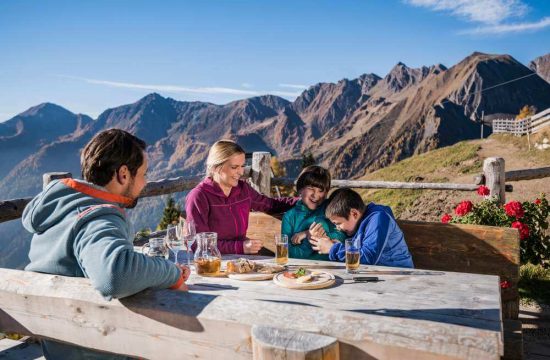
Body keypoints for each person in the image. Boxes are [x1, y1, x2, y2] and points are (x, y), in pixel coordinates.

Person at [23, 129, 190, 359]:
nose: (145, 182)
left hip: (61, 347)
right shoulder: (98, 216)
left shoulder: (62, 208)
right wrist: (172, 273)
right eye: (143, 173)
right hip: (94, 350)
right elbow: (115, 275)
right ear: (123, 174)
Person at [185, 140, 297, 254]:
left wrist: (302, 201)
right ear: (215, 167)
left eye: (242, 166)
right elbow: (197, 244)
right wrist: (240, 247)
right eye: (234, 167)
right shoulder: (199, 196)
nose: (241, 172)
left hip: (242, 261)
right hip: (213, 263)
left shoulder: (243, 190)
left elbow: (270, 205)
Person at [309, 188, 414, 268]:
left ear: (354, 213)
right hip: (377, 274)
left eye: (338, 223)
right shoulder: (358, 223)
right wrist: (331, 243)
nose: (338, 228)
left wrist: (332, 248)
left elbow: (367, 258)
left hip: (400, 275)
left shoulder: (379, 218)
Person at [281, 166, 345, 260]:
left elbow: (343, 236)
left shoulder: (331, 208)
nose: (315, 195)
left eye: (321, 191)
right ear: (300, 189)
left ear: (326, 193)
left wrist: (315, 234)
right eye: (311, 188)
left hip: (332, 266)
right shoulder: (289, 217)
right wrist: (309, 239)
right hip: (303, 269)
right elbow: (286, 252)